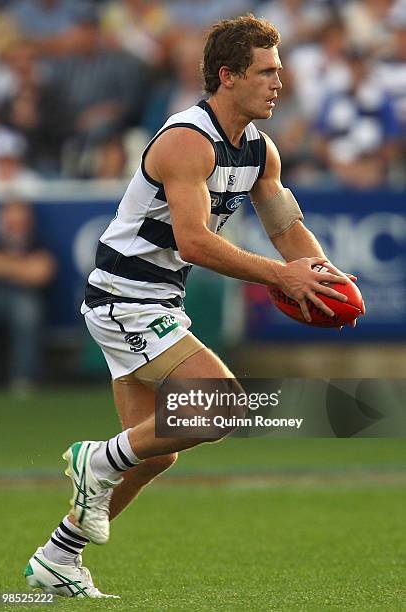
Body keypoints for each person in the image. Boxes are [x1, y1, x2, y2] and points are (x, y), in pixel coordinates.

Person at [25, 14, 351, 598]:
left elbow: (286, 230)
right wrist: (283, 278)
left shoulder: (259, 150)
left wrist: (322, 276)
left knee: (155, 454)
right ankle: (95, 459)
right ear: (227, 76)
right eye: (266, 72)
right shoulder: (186, 140)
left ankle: (59, 555)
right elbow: (195, 241)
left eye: (280, 71)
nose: (280, 83)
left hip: (153, 299)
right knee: (219, 406)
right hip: (124, 295)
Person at [0, 199, 56, 392]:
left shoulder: (38, 242)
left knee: (27, 312)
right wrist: (23, 268)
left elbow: (41, 274)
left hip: (25, 299)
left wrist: (5, 265)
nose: (17, 222)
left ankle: (23, 379)